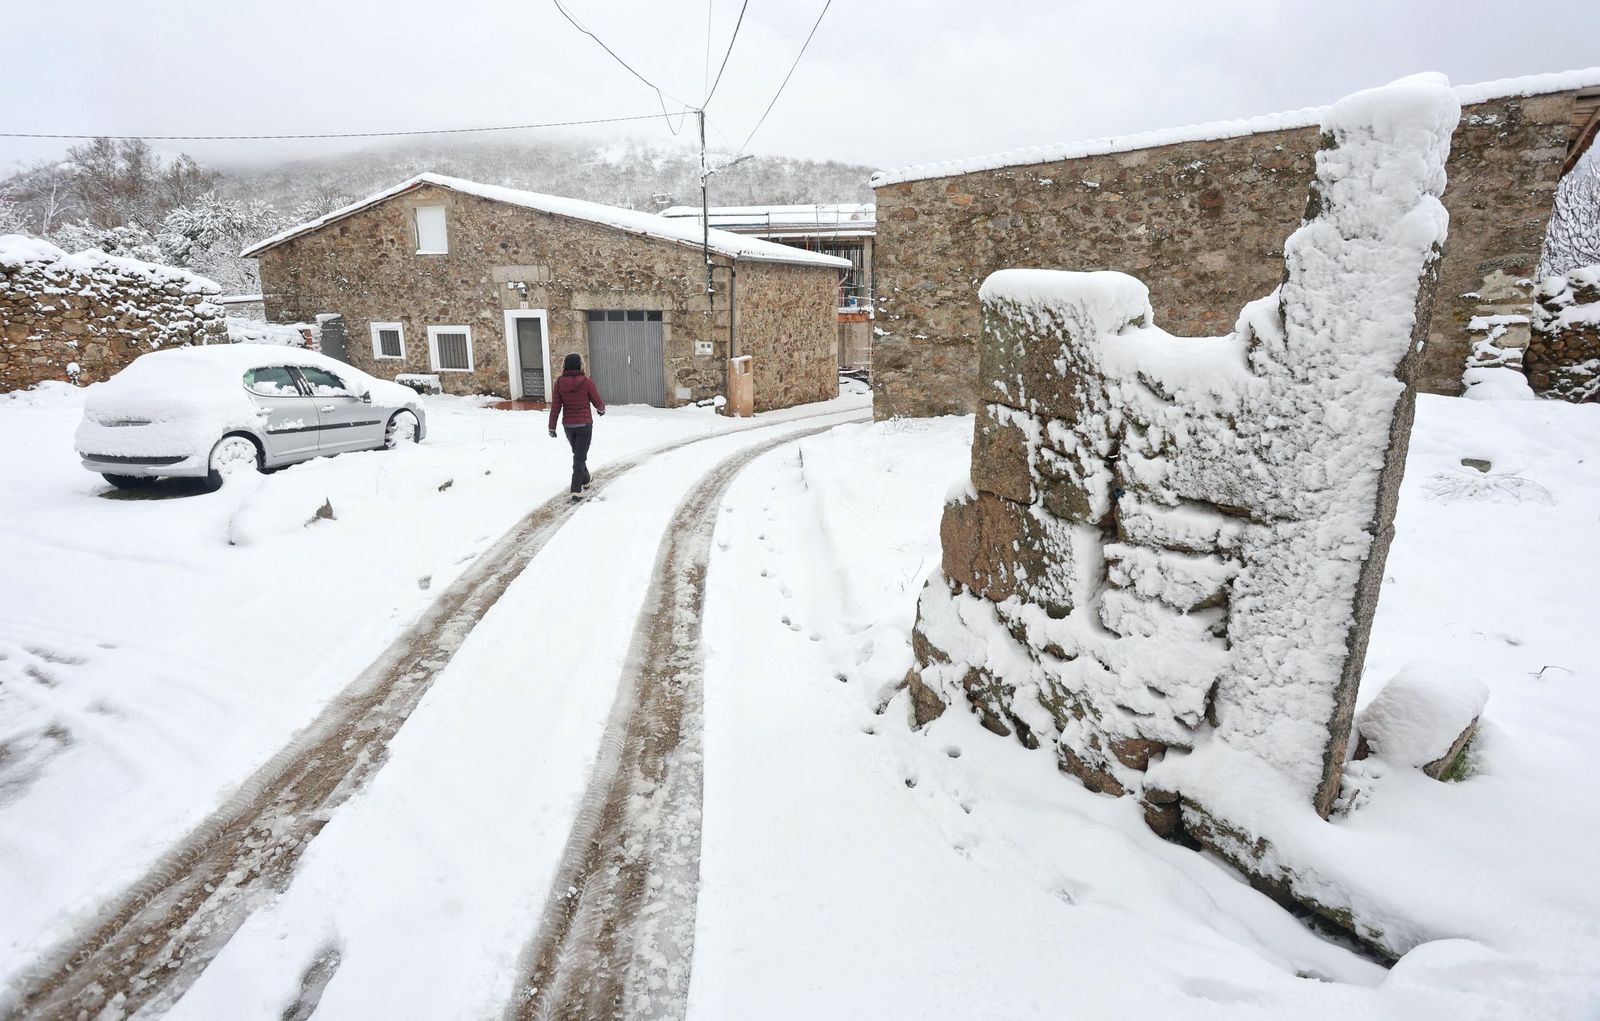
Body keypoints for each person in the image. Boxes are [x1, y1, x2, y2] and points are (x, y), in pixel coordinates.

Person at [548, 352, 605, 499]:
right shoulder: (586, 382)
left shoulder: (559, 383)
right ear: (580, 365)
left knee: (579, 455)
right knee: (579, 457)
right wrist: (601, 409)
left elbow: (555, 407)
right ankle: (575, 488)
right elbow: (597, 400)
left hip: (568, 425)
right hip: (584, 424)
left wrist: (551, 426)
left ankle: (585, 480)